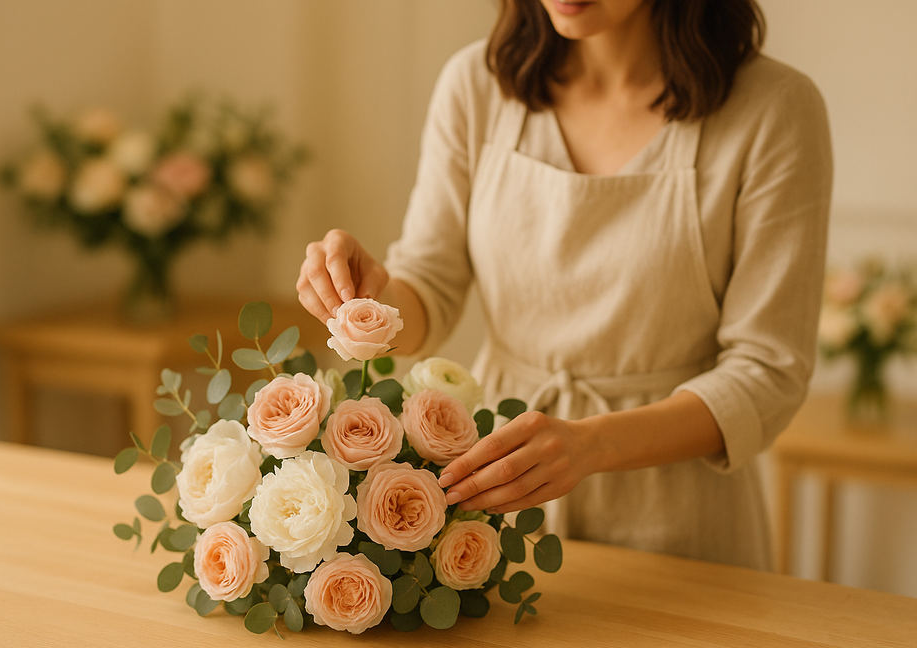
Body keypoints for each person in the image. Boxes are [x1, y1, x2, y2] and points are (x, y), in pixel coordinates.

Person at [296, 0, 832, 571]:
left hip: (682, 520)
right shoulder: (477, 86)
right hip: (497, 494)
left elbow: (767, 371)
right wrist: (367, 300)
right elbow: (429, 288)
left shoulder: (774, 109)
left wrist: (591, 445)